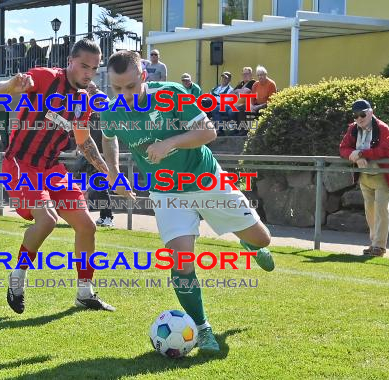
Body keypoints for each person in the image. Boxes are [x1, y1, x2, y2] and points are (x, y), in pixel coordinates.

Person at [100, 50, 275, 354]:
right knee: (182, 263)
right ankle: (203, 328)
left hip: (206, 179)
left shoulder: (171, 94)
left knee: (262, 238)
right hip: (167, 193)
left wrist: (170, 142)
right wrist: (114, 172)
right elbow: (108, 137)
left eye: (130, 87)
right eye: (117, 88)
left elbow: (208, 131)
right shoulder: (112, 111)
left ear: (143, 76)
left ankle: (249, 243)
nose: (124, 95)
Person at [0, 38, 115, 314]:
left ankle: (85, 293)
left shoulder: (83, 101)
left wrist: (110, 173)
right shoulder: (44, 77)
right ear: (70, 61)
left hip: (52, 168)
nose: (89, 73)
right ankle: (17, 279)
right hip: (21, 163)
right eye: (84, 66)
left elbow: (84, 142)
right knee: (47, 220)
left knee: (87, 227)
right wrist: (12, 85)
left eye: (94, 68)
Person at [340, 99, 389, 257]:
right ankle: (374, 243)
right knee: (370, 211)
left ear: (370, 113)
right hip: (365, 176)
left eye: (362, 114)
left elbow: (388, 150)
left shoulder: (382, 128)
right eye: (356, 115)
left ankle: (379, 246)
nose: (359, 118)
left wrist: (361, 153)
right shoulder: (353, 129)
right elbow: (343, 148)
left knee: (381, 209)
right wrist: (356, 158)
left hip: (383, 176)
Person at [86, 81, 114, 227]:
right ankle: (103, 215)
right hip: (93, 149)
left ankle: (107, 216)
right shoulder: (88, 99)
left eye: (91, 88)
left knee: (101, 184)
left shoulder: (100, 98)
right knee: (97, 184)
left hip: (102, 151)